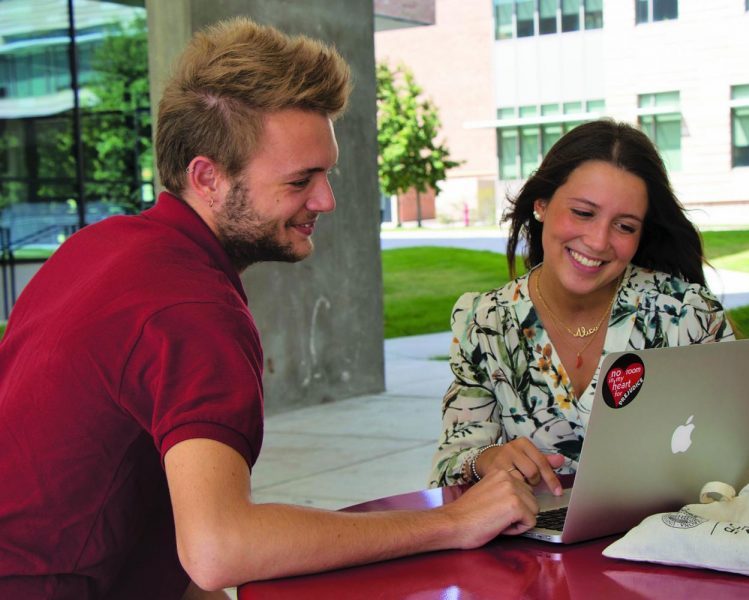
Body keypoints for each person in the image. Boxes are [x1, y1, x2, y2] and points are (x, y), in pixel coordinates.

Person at [0, 18, 539, 600]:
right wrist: (452, 522)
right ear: (206, 177)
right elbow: (218, 549)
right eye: (300, 180)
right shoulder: (193, 308)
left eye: (326, 173)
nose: (326, 199)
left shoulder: (97, 248)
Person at [429, 119, 735, 492]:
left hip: (662, 540)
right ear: (541, 203)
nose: (598, 240)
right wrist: (485, 461)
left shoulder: (687, 317)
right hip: (530, 545)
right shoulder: (485, 323)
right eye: (584, 213)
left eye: (624, 226)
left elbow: (733, 469)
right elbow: (448, 471)